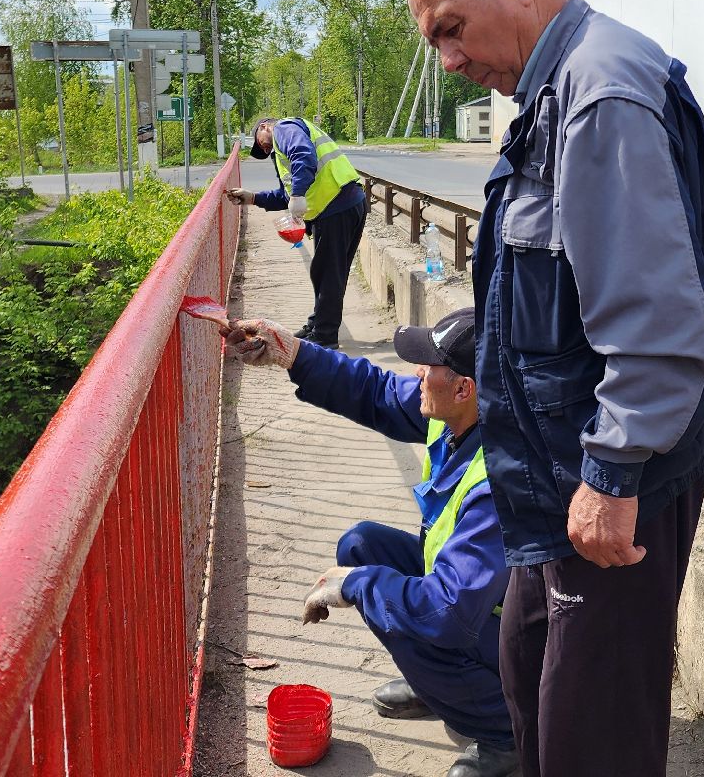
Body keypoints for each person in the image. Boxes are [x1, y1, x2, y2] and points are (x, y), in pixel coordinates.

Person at [402, 0, 704, 777]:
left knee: (596, 732)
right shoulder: (555, 89)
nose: (450, 60)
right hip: (557, 473)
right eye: (435, 41)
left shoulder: (598, 91)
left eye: (451, 28)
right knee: (531, 679)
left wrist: (613, 474)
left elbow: (658, 319)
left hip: (610, 477)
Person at [222, 308, 518, 777]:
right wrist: (293, 353)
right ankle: (439, 686)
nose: (416, 373)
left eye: (428, 366)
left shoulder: (500, 481)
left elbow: (447, 613)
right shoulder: (461, 412)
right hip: (477, 599)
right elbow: (376, 390)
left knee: (404, 606)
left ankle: (506, 733)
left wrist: (356, 585)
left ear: (464, 388)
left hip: (509, 629)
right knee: (361, 545)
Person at [226, 117, 366, 349]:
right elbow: (286, 195)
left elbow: (304, 155)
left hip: (336, 205)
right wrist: (253, 198)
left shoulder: (284, 128)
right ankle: (318, 324)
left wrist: (298, 194)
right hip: (342, 205)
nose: (265, 149)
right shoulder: (283, 148)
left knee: (327, 273)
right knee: (327, 272)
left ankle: (325, 336)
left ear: (265, 126)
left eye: (261, 144)